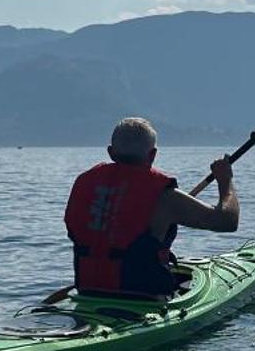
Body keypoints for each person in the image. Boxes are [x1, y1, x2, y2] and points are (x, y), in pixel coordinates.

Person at [65, 116, 238, 297]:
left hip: (87, 291)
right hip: (144, 298)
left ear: (110, 152)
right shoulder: (166, 197)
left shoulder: (83, 183)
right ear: (152, 154)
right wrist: (225, 180)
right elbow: (228, 221)